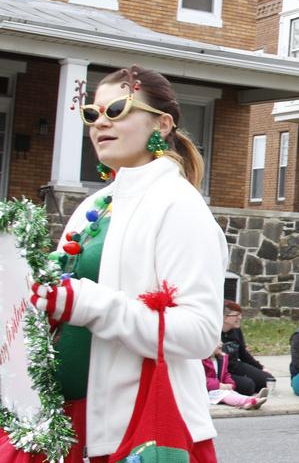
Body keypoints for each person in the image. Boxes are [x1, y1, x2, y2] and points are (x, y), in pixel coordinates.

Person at [7, 65, 227, 463]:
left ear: (162, 123)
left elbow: (199, 333)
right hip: (62, 422)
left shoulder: (180, 207)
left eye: (118, 110)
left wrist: (89, 304)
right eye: (92, 114)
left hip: (137, 427)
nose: (99, 124)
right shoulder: (95, 205)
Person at [220, 300, 274, 396]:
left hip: (236, 366)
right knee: (248, 386)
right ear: (225, 317)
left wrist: (261, 367)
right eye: (236, 315)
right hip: (222, 371)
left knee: (268, 380)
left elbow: (243, 354)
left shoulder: (236, 331)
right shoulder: (215, 333)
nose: (240, 317)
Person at [203, 341, 267, 410]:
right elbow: (201, 379)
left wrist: (230, 384)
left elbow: (225, 374)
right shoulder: (201, 360)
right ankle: (251, 400)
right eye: (217, 341)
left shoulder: (221, 358)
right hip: (207, 391)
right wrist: (218, 385)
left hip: (219, 389)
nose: (221, 344)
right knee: (226, 396)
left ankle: (249, 403)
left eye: (221, 341)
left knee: (233, 394)